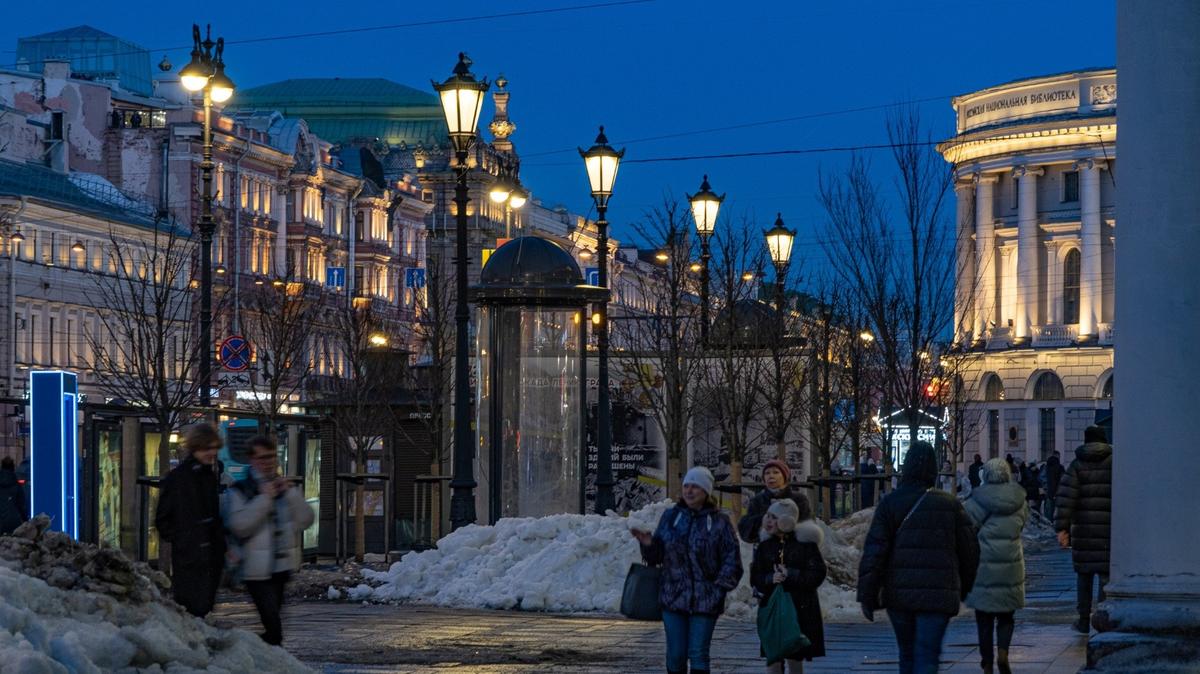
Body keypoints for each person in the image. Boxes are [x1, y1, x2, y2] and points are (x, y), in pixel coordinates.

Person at [857, 441, 979, 674]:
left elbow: (874, 551)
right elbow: (970, 551)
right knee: (927, 657)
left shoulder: (890, 504)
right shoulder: (949, 505)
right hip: (938, 596)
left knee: (907, 655)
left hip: (899, 594)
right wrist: (964, 587)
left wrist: (868, 594)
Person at [633, 466, 742, 674]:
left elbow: (732, 562)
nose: (689, 491)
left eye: (695, 487)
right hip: (673, 599)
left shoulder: (719, 522)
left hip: (705, 602)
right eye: (686, 486)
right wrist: (648, 544)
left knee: (699, 654)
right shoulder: (671, 517)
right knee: (675, 656)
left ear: (706, 491)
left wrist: (717, 589)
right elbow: (656, 557)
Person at [226, 436, 315, 646]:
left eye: (272, 456)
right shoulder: (241, 489)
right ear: (252, 460)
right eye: (262, 457)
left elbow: (306, 519)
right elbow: (240, 525)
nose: (268, 462)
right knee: (273, 626)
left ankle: (262, 654)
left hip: (281, 567)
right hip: (254, 569)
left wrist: (291, 493)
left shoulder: (284, 489)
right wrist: (264, 499)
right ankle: (253, 652)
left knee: (273, 620)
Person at [155, 423, 227, 617]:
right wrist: (185, 540)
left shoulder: (207, 476)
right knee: (194, 610)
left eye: (214, 448)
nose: (212, 452)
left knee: (203, 609)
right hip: (191, 557)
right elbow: (163, 518)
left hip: (207, 556)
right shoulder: (180, 478)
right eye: (207, 448)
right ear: (196, 447)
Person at [964, 458, 1028, 674]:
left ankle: (987, 662)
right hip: (1011, 564)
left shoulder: (976, 500)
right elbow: (1021, 524)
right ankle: (1003, 652)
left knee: (983, 618)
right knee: (1006, 616)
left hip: (983, 566)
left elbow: (967, 529)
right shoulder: (1019, 500)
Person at [751, 499, 827, 673]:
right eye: (767, 516)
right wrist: (770, 578)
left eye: (774, 517)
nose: (768, 521)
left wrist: (791, 574)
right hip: (773, 610)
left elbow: (817, 574)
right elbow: (756, 576)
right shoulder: (764, 546)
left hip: (799, 609)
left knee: (795, 657)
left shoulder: (805, 545)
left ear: (787, 521)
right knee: (773, 658)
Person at [1054, 426, 1113, 634]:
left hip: (1084, 531)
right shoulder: (1114, 462)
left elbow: (1065, 499)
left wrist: (1062, 528)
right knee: (1106, 576)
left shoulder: (1077, 465)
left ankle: (1082, 620)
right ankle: (1105, 618)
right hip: (1108, 531)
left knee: (1084, 576)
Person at [740, 458, 812, 543]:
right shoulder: (757, 500)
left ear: (785, 476)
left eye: (776, 472)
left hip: (793, 550)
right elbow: (747, 533)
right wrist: (765, 518)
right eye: (767, 473)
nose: (771, 476)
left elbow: (807, 527)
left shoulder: (799, 499)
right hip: (765, 551)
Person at [0, 456, 27, 535]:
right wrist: (26, 521)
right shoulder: (17, 485)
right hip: (14, 523)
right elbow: (21, 506)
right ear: (13, 468)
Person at [1042, 452, 1064, 520]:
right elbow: (1062, 481)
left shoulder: (1046, 466)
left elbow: (1041, 478)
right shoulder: (1060, 468)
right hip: (1057, 494)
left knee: (1048, 514)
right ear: (1058, 457)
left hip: (1048, 493)